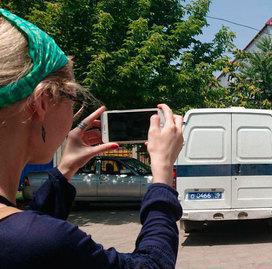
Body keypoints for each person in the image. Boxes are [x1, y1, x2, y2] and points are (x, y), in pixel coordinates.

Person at [0, 9, 183, 269]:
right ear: (43, 101)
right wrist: (163, 173)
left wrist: (64, 170)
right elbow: (153, 264)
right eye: (73, 98)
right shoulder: (44, 241)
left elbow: (23, 232)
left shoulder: (23, 238)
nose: (75, 113)